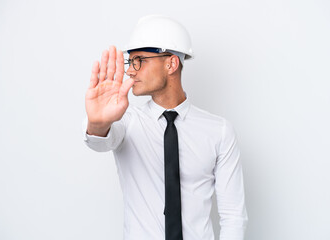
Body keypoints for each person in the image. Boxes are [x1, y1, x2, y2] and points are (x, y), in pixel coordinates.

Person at [82, 15, 248, 240]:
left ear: (171, 64)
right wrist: (98, 121)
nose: (131, 71)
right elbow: (99, 140)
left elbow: (233, 216)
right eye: (131, 62)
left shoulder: (219, 131)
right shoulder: (127, 121)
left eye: (139, 60)